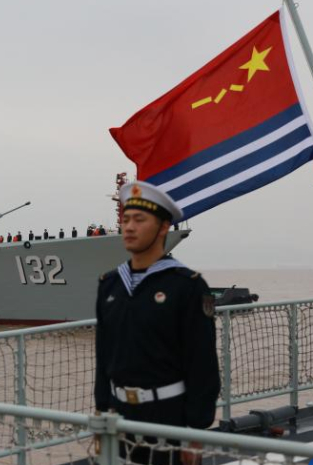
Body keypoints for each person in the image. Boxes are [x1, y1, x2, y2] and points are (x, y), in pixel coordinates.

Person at [95, 181, 220, 465]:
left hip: (168, 417)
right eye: (126, 219)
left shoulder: (187, 287)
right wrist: (101, 412)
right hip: (120, 416)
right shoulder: (110, 285)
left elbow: (202, 364)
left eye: (139, 220)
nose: (128, 227)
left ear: (163, 227)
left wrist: (195, 431)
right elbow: (103, 357)